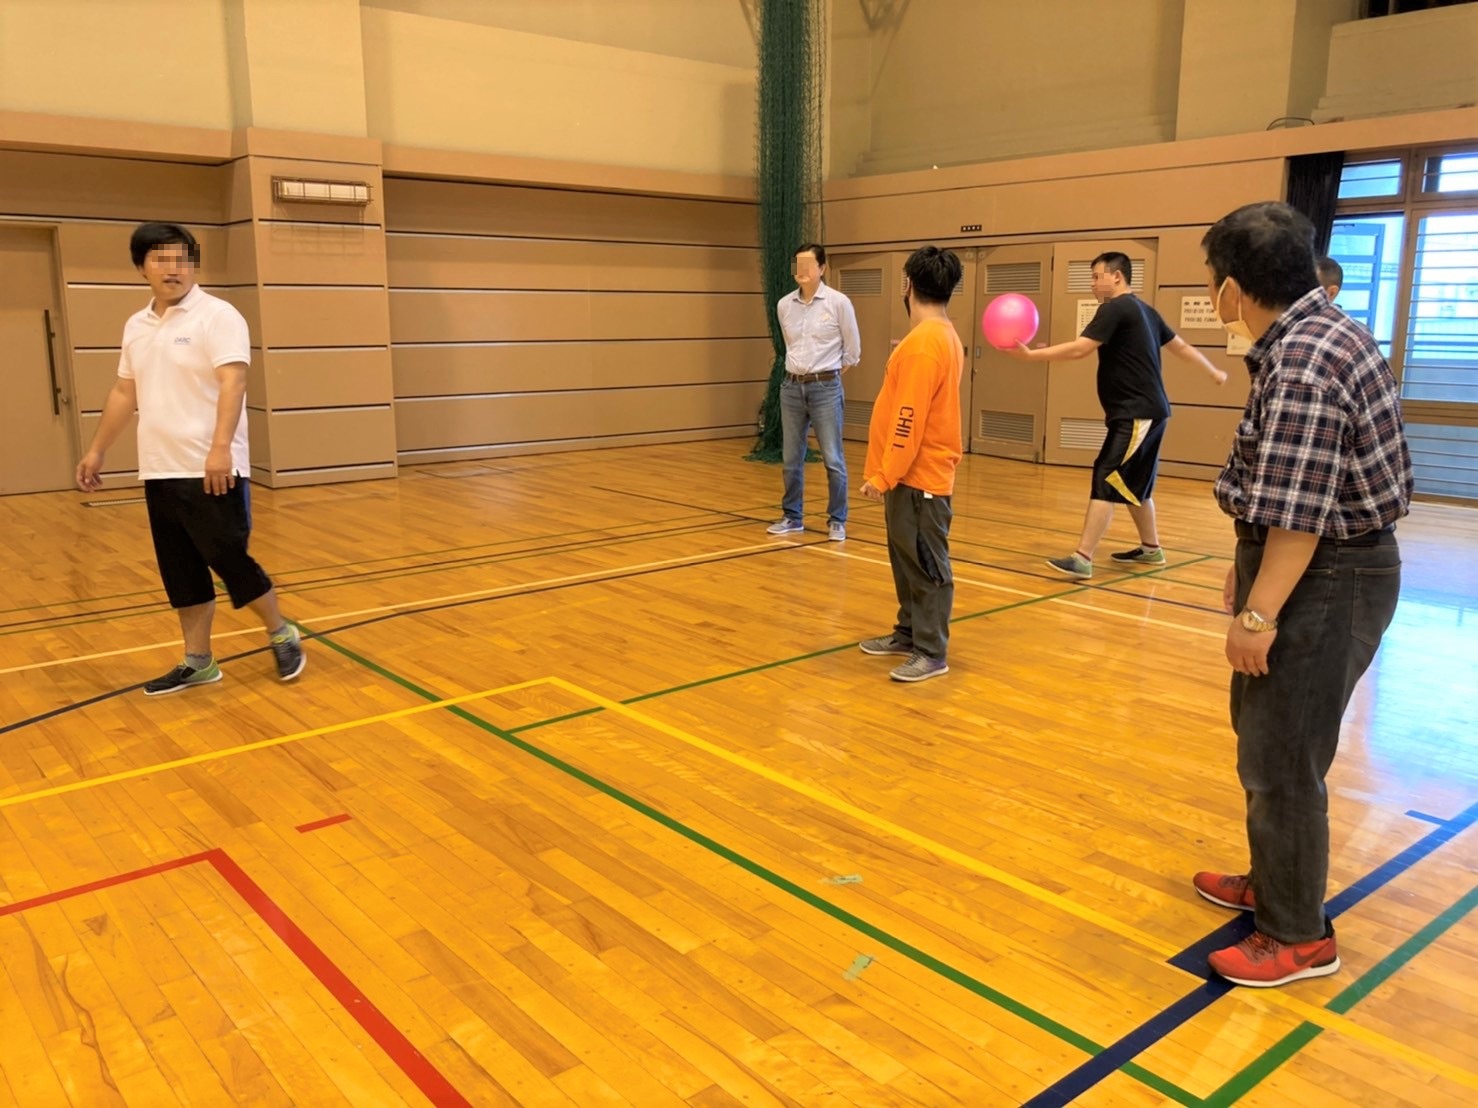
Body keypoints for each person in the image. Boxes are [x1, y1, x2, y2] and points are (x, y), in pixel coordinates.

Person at [1194, 201, 1412, 987]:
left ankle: (1297, 936)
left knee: (1283, 755)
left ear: (1231, 289)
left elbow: (1300, 514)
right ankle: (1276, 879)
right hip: (1315, 563)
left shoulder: (1303, 361)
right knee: (1265, 735)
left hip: (1330, 574)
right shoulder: (1320, 333)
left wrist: (1260, 611)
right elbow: (1288, 489)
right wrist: (1249, 565)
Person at [76, 222, 306, 696]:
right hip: (159, 468)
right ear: (141, 268)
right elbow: (124, 392)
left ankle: (281, 633)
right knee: (180, 571)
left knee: (230, 561)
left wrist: (220, 449)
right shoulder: (137, 326)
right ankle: (198, 662)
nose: (173, 269)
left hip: (212, 470)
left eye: (182, 259)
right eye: (160, 259)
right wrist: (97, 450)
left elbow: (233, 382)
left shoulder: (218, 316)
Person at [1007, 253, 1227, 579]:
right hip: (1149, 411)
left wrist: (1031, 357)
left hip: (1136, 412)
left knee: (1106, 473)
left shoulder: (1115, 308)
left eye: (1097, 276)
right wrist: (1213, 372)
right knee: (1135, 485)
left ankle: (1083, 558)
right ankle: (1151, 549)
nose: (1093, 284)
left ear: (1118, 277)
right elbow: (1181, 348)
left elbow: (1080, 348)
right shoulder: (1146, 311)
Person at [856, 246, 965, 683]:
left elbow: (908, 420)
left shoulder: (923, 345)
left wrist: (886, 475)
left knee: (925, 565)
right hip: (910, 478)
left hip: (920, 478)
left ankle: (931, 651)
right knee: (906, 560)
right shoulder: (940, 335)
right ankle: (909, 632)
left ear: (908, 285)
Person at [767, 243, 861, 542]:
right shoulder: (784, 305)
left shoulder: (838, 302)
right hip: (791, 387)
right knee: (791, 458)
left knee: (832, 458)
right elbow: (790, 345)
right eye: (798, 264)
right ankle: (792, 516)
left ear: (822, 268)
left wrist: (827, 375)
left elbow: (852, 350)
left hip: (825, 387)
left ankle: (837, 519)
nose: (803, 271)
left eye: (809, 265)